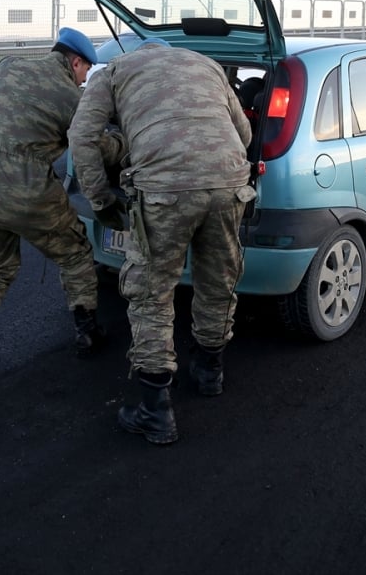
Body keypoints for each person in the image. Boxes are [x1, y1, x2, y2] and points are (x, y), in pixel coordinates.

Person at [68, 40, 255, 445]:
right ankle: (209, 372)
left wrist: (100, 200)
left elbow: (82, 137)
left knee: (152, 292)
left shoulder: (115, 71)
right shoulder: (206, 64)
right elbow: (245, 132)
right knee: (218, 280)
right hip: (229, 183)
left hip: (165, 192)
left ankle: (155, 410)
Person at [0, 27, 126, 375]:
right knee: (75, 253)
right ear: (75, 61)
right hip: (23, 192)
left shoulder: (8, 66)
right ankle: (87, 331)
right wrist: (123, 140)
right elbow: (93, 144)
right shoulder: (69, 97)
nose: (85, 79)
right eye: (85, 71)